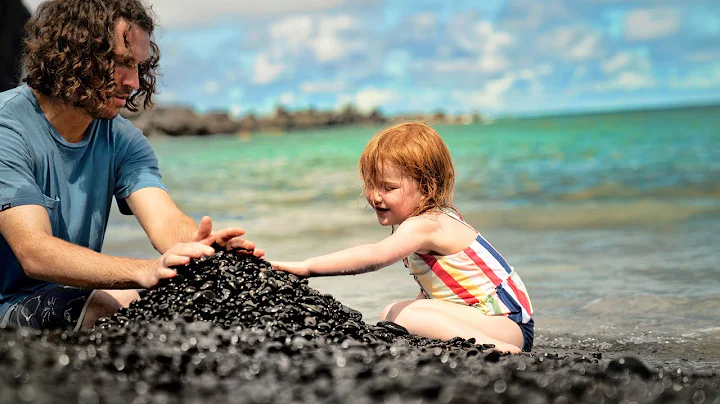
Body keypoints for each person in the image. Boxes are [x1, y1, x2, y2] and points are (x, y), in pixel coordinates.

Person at [0, 0, 263, 332]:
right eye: (121, 63)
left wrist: (199, 248)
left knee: (158, 302)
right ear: (73, 53)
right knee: (108, 305)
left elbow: (165, 220)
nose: (134, 81)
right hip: (6, 303)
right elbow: (34, 252)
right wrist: (142, 270)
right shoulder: (7, 127)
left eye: (138, 65)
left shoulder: (122, 138)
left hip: (67, 293)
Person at [254, 122, 534, 353]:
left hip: (506, 325)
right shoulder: (426, 222)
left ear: (427, 188)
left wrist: (308, 267)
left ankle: (498, 350)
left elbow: (375, 257)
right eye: (370, 185)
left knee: (406, 316)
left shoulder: (427, 223)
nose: (375, 196)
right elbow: (438, 289)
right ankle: (473, 346)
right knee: (392, 312)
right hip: (492, 319)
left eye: (388, 187)